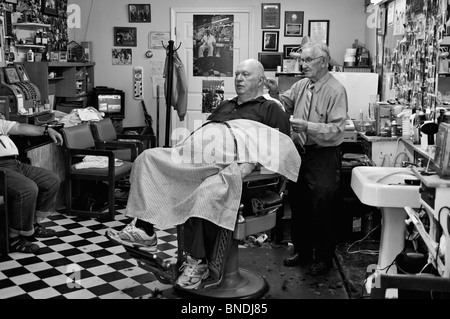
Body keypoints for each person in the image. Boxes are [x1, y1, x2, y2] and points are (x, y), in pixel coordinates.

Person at [107, 58, 300, 290]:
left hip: (237, 171)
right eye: (237, 74)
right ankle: (145, 229)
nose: (238, 78)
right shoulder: (227, 104)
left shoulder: (270, 108)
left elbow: (280, 149)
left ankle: (198, 262)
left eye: (245, 75)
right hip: (199, 158)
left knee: (204, 191)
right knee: (147, 159)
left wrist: (250, 163)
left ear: (260, 80)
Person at [265, 41, 349, 276]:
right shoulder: (302, 85)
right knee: (299, 203)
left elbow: (337, 130)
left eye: (308, 60)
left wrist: (308, 126)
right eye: (302, 60)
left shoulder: (335, 90)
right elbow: (285, 105)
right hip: (300, 153)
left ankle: (323, 258)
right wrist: (274, 93)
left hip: (323, 154)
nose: (303, 64)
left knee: (322, 207)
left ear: (323, 61)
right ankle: (302, 252)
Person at [0, 115, 64, 254]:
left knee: (51, 180)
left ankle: (32, 224)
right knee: (27, 189)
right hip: (1, 169)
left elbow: (19, 127)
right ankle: (14, 237)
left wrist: (47, 130)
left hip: (15, 163)